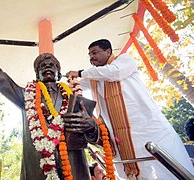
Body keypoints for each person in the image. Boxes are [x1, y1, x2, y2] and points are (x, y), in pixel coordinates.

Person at [0, 19, 98, 180]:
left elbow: (102, 139)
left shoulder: (75, 99)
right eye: (42, 66)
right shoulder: (26, 97)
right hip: (37, 172)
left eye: (52, 65)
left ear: (58, 72)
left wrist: (91, 127)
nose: (47, 66)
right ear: (37, 75)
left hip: (75, 171)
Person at [66, 39, 194, 179]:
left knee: (164, 169)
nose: (91, 57)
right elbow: (75, 85)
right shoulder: (95, 77)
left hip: (148, 130)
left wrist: (79, 72)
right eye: (89, 55)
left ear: (108, 51)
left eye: (94, 52)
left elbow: (113, 73)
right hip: (122, 140)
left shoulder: (124, 61)